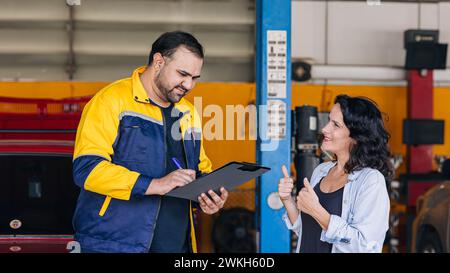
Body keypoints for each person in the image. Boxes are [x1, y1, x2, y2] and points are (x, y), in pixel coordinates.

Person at [72, 31, 229, 253]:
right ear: (158, 62)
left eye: (194, 78)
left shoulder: (188, 113)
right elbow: (87, 169)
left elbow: (200, 170)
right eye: (182, 74)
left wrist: (208, 197)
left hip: (177, 246)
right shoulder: (110, 101)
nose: (189, 85)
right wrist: (155, 184)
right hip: (113, 245)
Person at [278, 95, 393, 253]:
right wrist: (287, 200)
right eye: (329, 121)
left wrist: (317, 211)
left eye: (336, 125)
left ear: (356, 137)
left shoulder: (371, 181)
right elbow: (307, 231)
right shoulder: (321, 171)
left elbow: (366, 246)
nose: (325, 129)